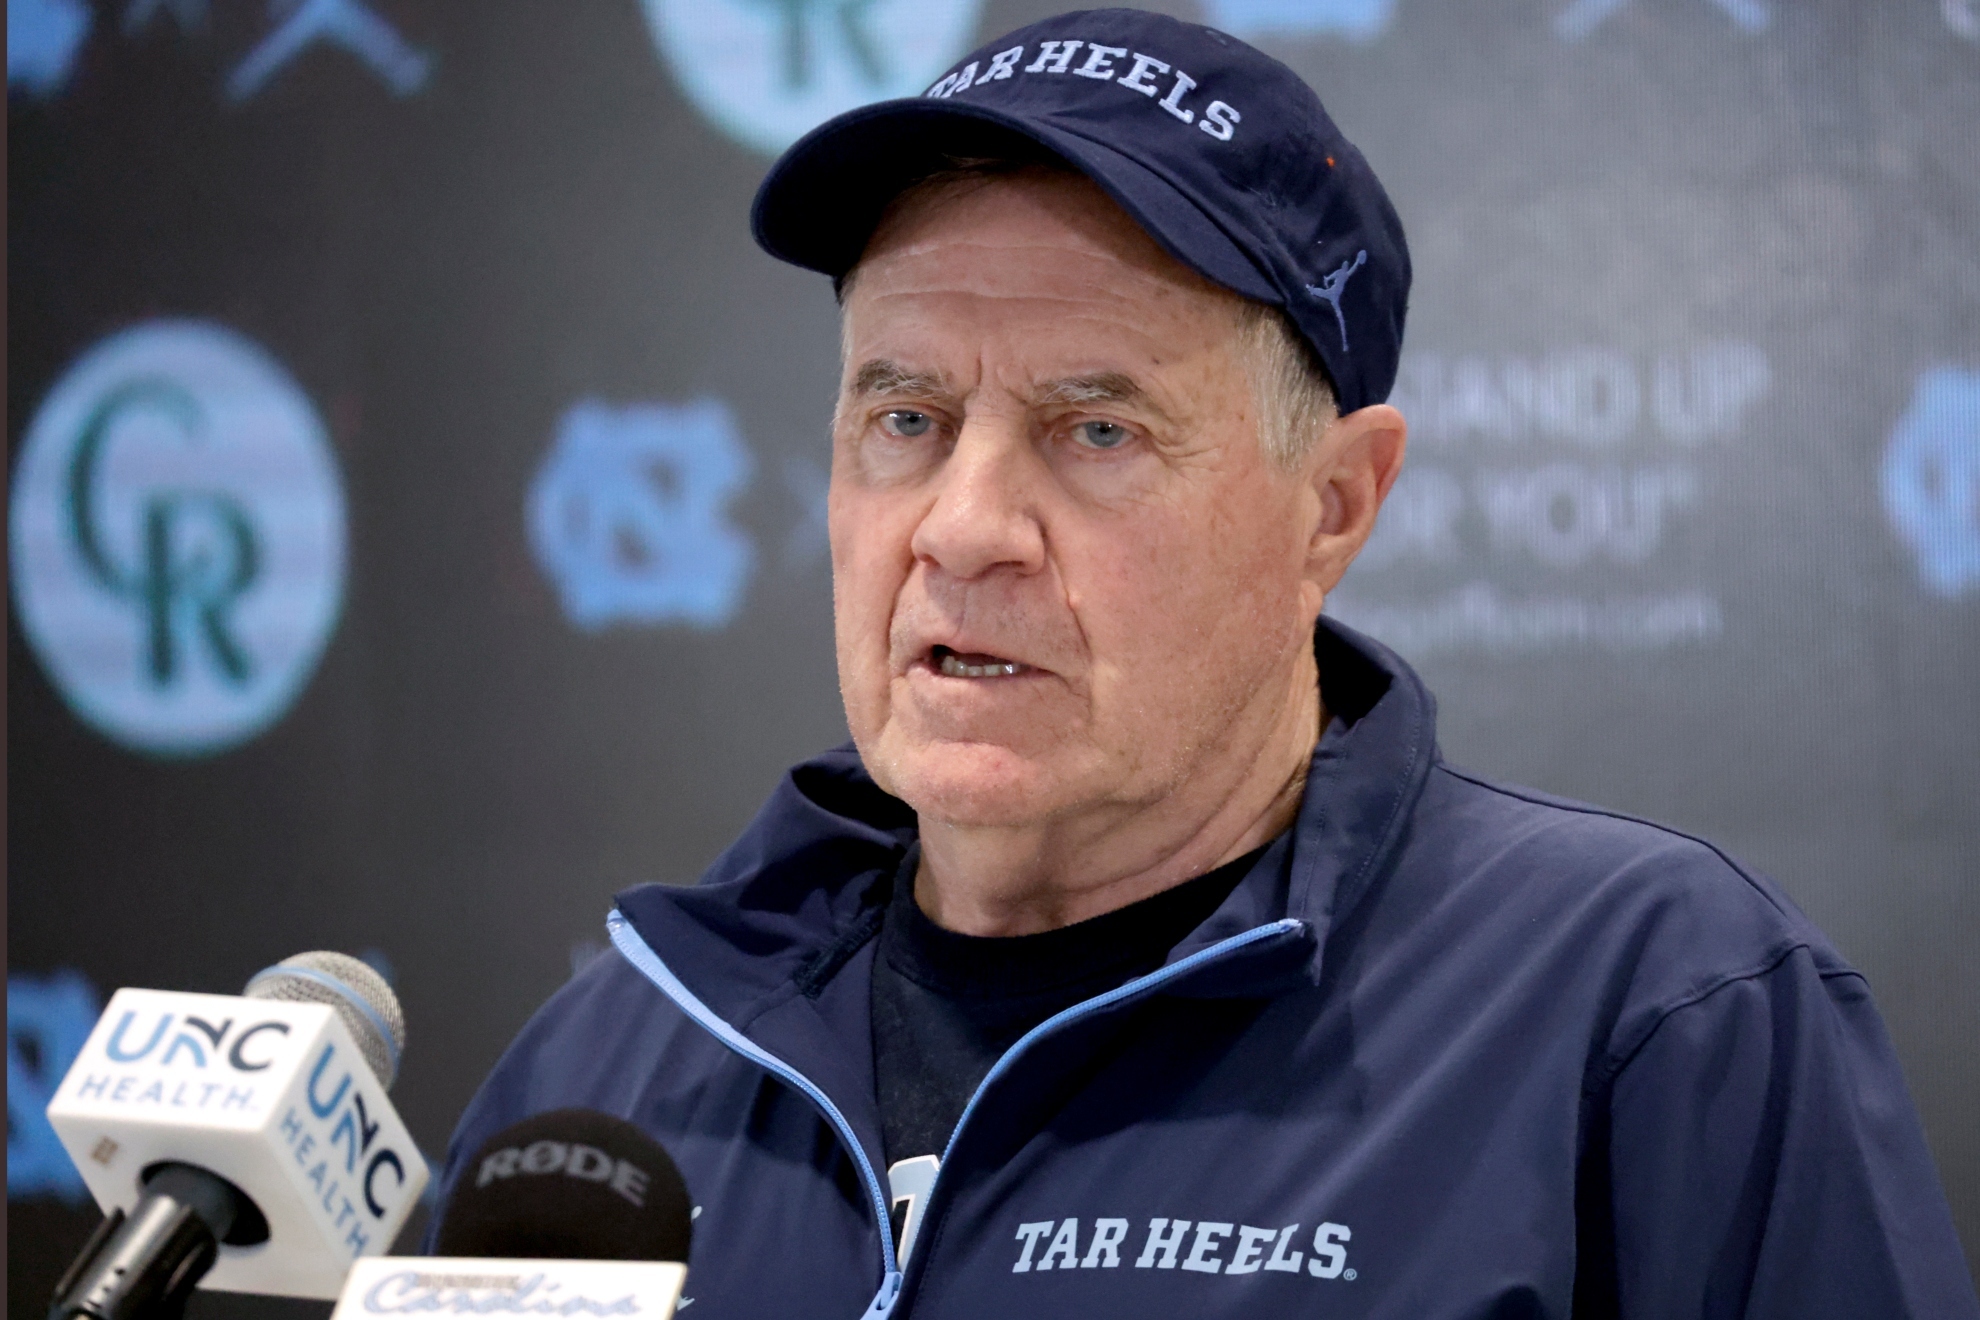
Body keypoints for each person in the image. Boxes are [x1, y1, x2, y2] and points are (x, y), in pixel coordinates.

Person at [431, 10, 1978, 1317]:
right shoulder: (609, 1072)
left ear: (1334, 507)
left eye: (1096, 430)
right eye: (906, 419)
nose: (964, 528)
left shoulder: (1652, 1010)